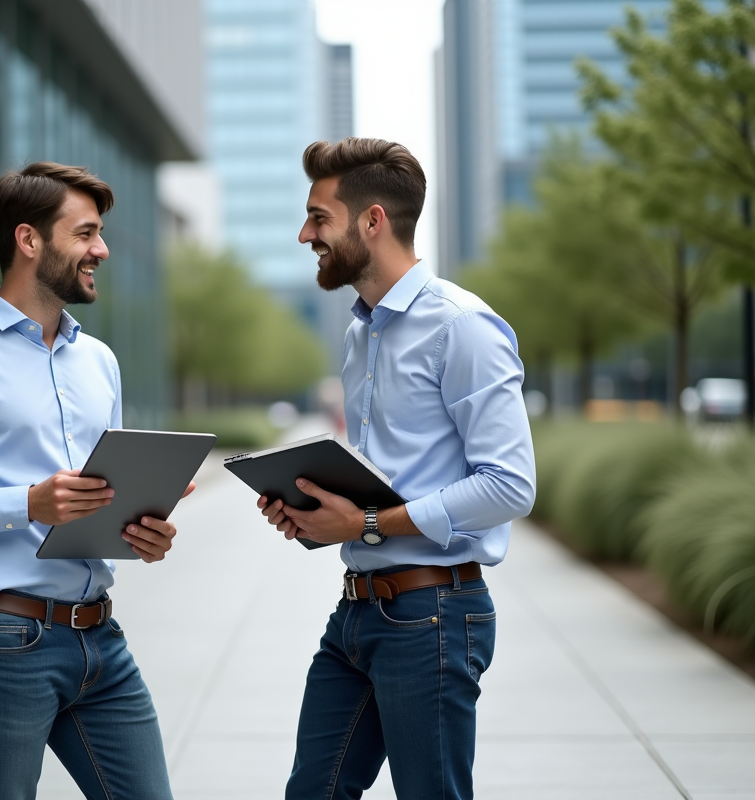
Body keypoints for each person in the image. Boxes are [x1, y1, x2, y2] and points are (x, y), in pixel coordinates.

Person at [0, 162, 185, 800]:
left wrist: (140, 529)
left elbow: (95, 502)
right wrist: (27, 503)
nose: (101, 249)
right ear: (29, 240)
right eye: (86, 233)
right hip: (3, 642)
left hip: (101, 640)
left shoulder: (100, 361)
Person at [258, 138, 536, 800]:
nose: (306, 234)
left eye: (318, 218)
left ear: (372, 220)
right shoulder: (362, 334)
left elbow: (510, 484)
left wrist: (370, 521)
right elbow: (381, 481)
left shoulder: (462, 326)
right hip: (357, 612)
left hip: (434, 613)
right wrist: (312, 514)